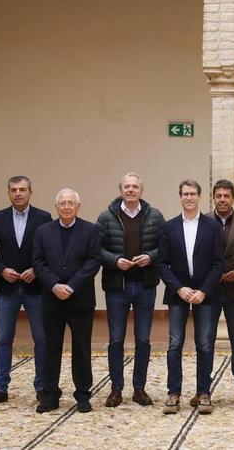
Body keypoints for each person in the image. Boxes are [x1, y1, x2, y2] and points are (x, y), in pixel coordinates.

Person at [0, 176, 52, 406]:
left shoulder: (43, 218)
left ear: (30, 192)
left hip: (36, 288)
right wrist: (1, 270)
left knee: (41, 339)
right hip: (6, 288)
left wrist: (36, 270)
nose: (18, 193)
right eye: (13, 190)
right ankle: (0, 387)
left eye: (22, 189)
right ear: (8, 193)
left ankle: (41, 386)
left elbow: (51, 251)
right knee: (3, 339)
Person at [96, 172, 164, 408]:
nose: (131, 190)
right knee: (116, 339)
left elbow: (164, 247)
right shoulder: (106, 217)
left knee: (143, 339)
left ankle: (139, 388)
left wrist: (150, 257)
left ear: (141, 191)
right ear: (120, 189)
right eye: (127, 186)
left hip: (145, 284)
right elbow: (96, 249)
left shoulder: (155, 216)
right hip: (117, 286)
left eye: (135, 186)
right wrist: (115, 260)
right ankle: (116, 389)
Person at [33, 189, 102, 413]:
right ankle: (50, 394)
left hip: (79, 299)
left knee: (81, 347)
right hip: (52, 299)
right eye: (62, 203)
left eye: (71, 203)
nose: (66, 207)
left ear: (78, 207)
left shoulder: (91, 230)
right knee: (51, 347)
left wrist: (71, 286)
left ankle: (82, 394)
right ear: (56, 207)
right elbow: (38, 262)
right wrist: (55, 285)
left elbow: (93, 262)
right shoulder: (43, 231)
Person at [158, 179, 224, 415]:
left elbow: (218, 263)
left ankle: (204, 392)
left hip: (206, 294)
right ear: (180, 197)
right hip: (178, 294)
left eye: (192, 194)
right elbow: (162, 264)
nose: (188, 197)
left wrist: (204, 290)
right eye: (185, 193)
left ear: (199, 196)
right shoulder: (168, 227)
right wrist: (179, 288)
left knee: (205, 344)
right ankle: (173, 392)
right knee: (175, 344)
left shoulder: (212, 227)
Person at [205, 178, 234, 406]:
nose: (222, 199)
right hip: (210, 291)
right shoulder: (202, 222)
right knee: (206, 340)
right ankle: (204, 387)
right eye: (219, 196)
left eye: (227, 196)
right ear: (213, 197)